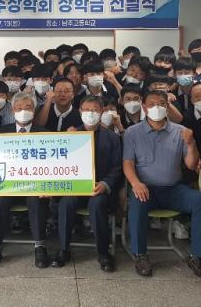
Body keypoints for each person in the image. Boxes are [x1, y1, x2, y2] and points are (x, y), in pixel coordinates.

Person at [122, 90, 201, 278]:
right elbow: (128, 163)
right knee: (136, 203)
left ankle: (198, 256)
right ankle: (140, 255)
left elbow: (191, 164)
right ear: (144, 107)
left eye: (161, 104)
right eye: (152, 104)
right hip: (146, 188)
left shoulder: (181, 131)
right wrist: (135, 183)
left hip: (174, 189)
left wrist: (191, 143)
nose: (157, 107)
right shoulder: (132, 132)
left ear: (167, 107)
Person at [52, 95, 123, 271]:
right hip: (75, 188)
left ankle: (103, 253)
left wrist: (105, 184)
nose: (90, 113)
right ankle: (63, 250)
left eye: (94, 110)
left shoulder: (112, 138)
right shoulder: (71, 135)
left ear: (102, 112)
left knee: (97, 204)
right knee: (66, 203)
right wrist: (67, 141)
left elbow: (118, 167)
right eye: (86, 110)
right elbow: (59, 164)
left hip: (99, 188)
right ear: (80, 111)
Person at [0, 92, 50, 270]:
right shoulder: (1, 132)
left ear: (34, 110)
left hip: (34, 185)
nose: (23, 111)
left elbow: (51, 164)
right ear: (12, 110)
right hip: (8, 185)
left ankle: (40, 247)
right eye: (19, 108)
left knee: (37, 198)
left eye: (27, 108)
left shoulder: (44, 133)